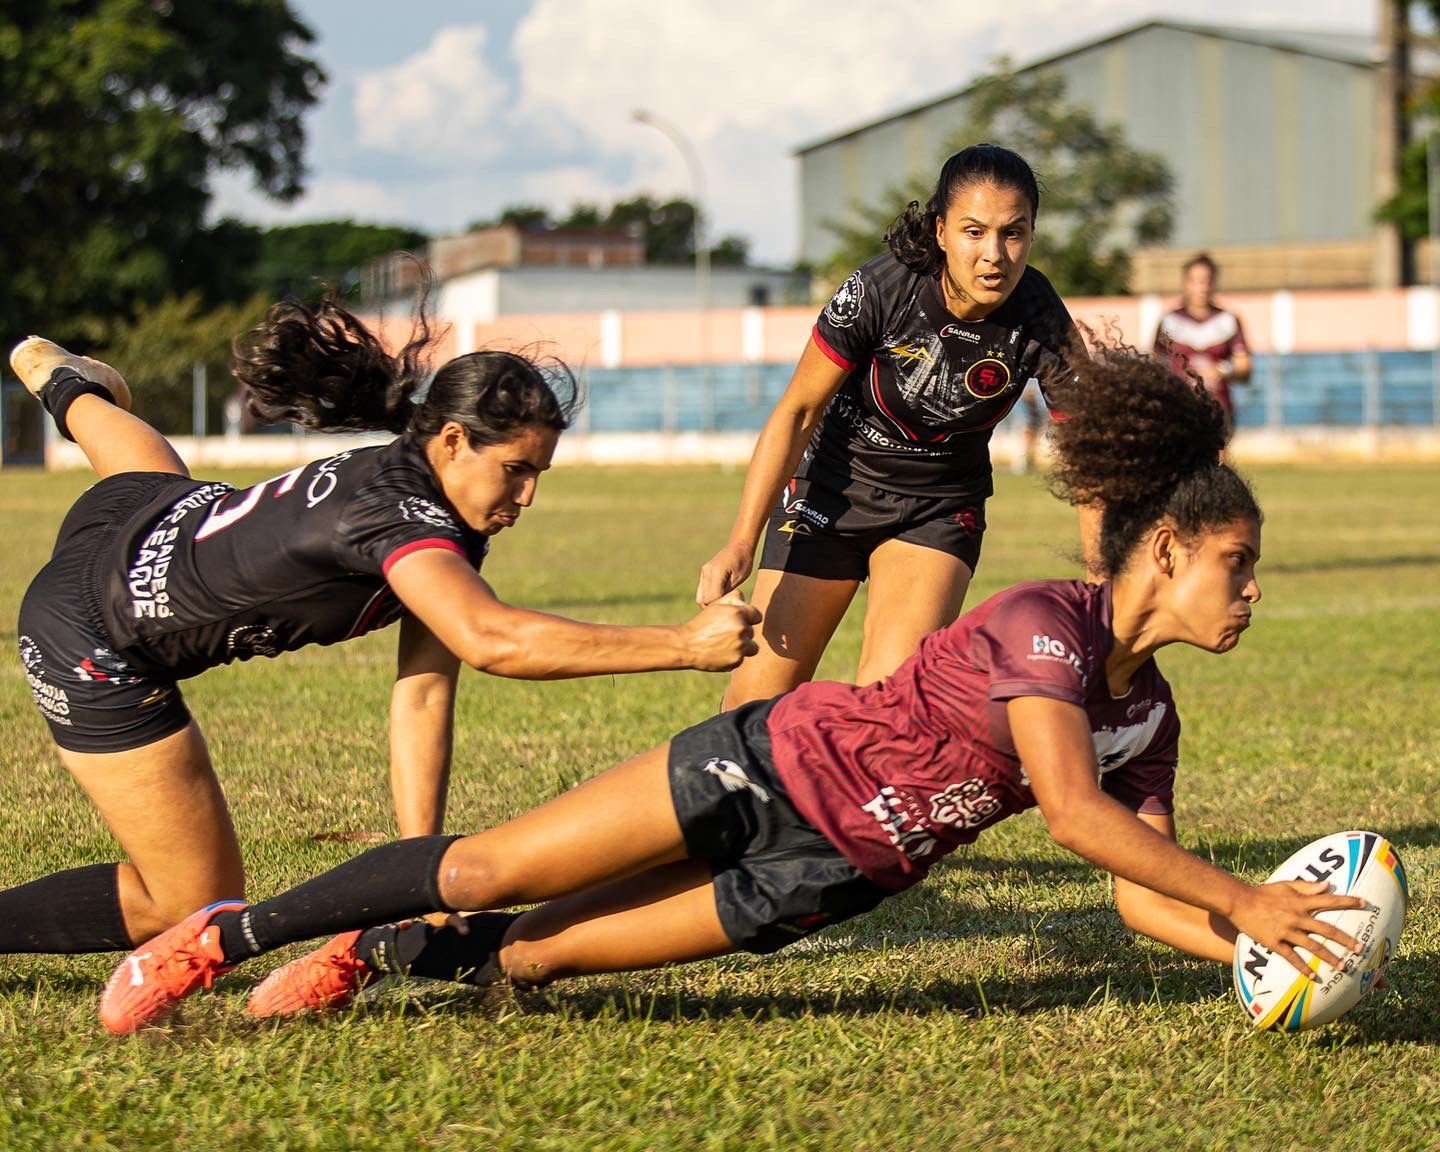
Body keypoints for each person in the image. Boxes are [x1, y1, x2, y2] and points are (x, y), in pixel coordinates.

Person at [100, 342, 1366, 1036]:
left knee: (534, 962)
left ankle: (373, 953)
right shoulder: (1046, 629)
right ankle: (219, 940)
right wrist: (1251, 898)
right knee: (490, 870)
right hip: (765, 767)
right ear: (1163, 552)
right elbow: (1077, 820)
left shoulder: (1150, 715)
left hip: (833, 876)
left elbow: (1142, 885)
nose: (1250, 593)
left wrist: (1262, 942)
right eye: (1235, 567)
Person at [2, 299, 759, 963]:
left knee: (151, 469)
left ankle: (70, 389)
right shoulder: (399, 518)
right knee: (189, 903)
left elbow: (424, 694)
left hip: (145, 519)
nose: (527, 496)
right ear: (455, 441)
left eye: (540, 476)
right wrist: (684, 646)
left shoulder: (423, 484)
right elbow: (492, 641)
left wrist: (419, 872)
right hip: (91, 638)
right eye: (517, 470)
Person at [696, 143, 1087, 711]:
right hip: (830, 492)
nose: (994, 255)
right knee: (750, 714)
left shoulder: (1040, 313)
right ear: (941, 231)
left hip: (936, 509)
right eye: (974, 232)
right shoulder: (881, 288)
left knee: (886, 710)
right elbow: (798, 412)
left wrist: (1102, 586)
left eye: (1013, 232)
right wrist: (740, 540)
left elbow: (1091, 450)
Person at [1153, 252, 1252, 439]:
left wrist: (1222, 371)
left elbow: (1245, 368)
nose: (1201, 287)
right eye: (1195, 280)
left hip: (1217, 408)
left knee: (1215, 465)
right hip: (1178, 409)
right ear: (1185, 283)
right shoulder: (1169, 321)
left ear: (1214, 283)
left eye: (1206, 280)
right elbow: (1154, 364)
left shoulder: (1228, 320)